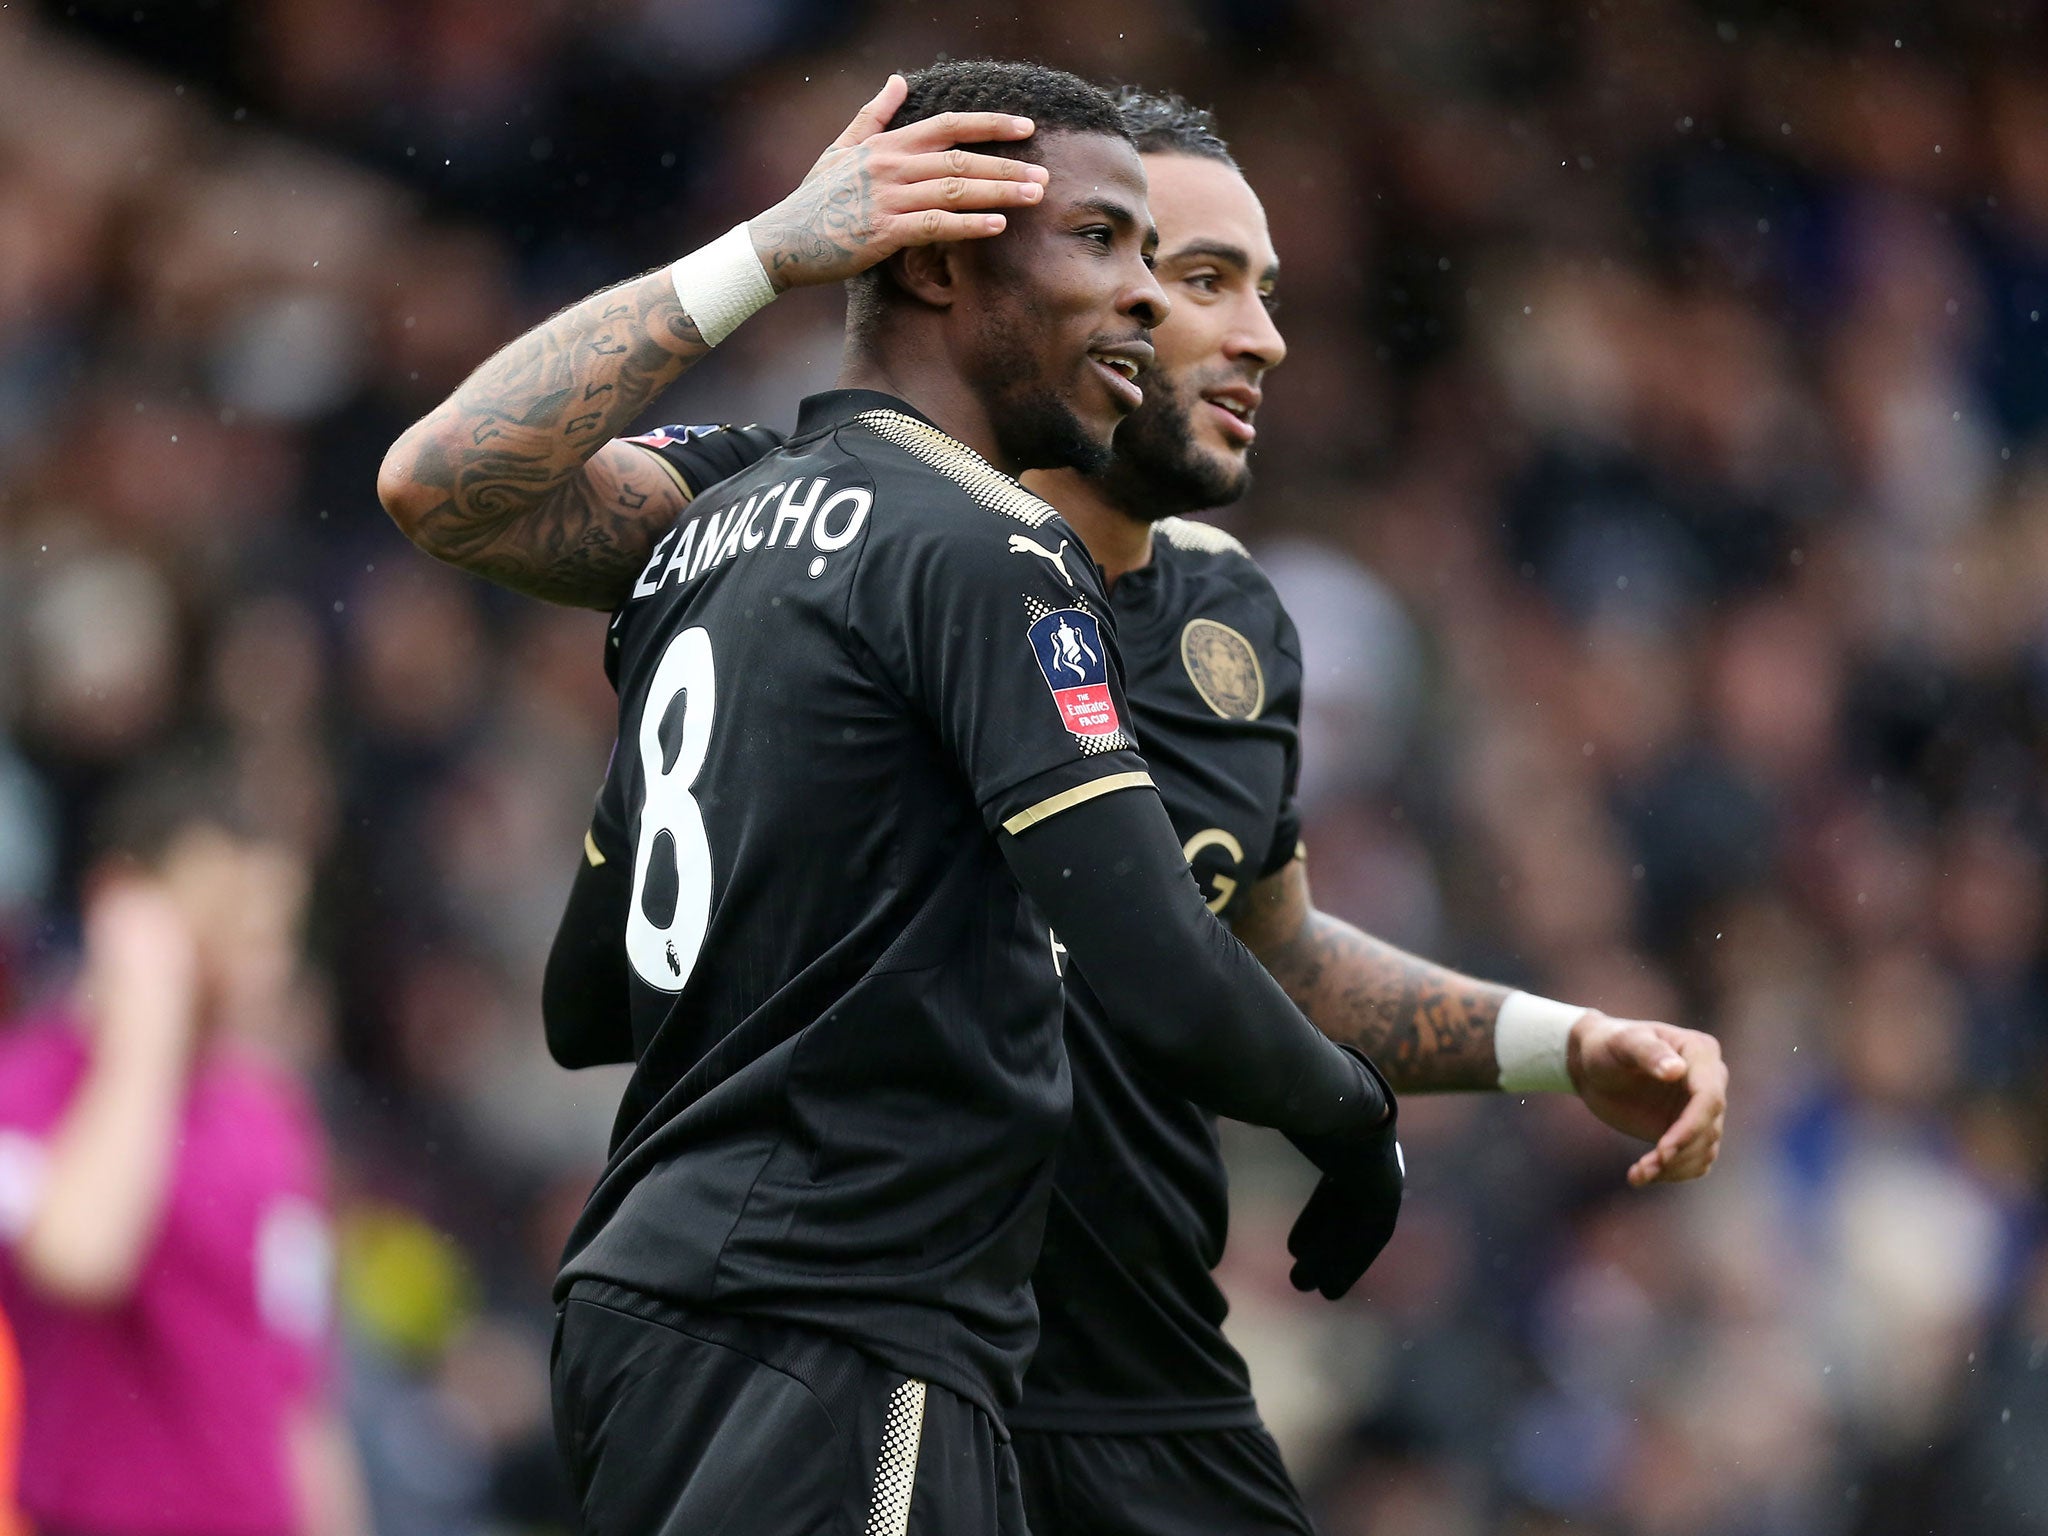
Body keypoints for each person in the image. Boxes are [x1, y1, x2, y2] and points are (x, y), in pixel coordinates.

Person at [394, 78, 1731, 1534]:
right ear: (956, 255)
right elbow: (450, 484)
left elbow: (1263, 954)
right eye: (1165, 264)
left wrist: (1558, 1043)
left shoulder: (1232, 630)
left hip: (1105, 1375)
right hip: (868, 1314)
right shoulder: (808, 504)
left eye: (1230, 283)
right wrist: (769, 248)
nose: (1214, 323)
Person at [0, 772, 368, 1536]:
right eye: (229, 924)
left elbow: (299, 1396)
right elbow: (80, 1255)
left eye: (274, 931)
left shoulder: (269, 1116)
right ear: (123, 906)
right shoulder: (24, 1091)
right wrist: (145, 1020)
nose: (260, 966)